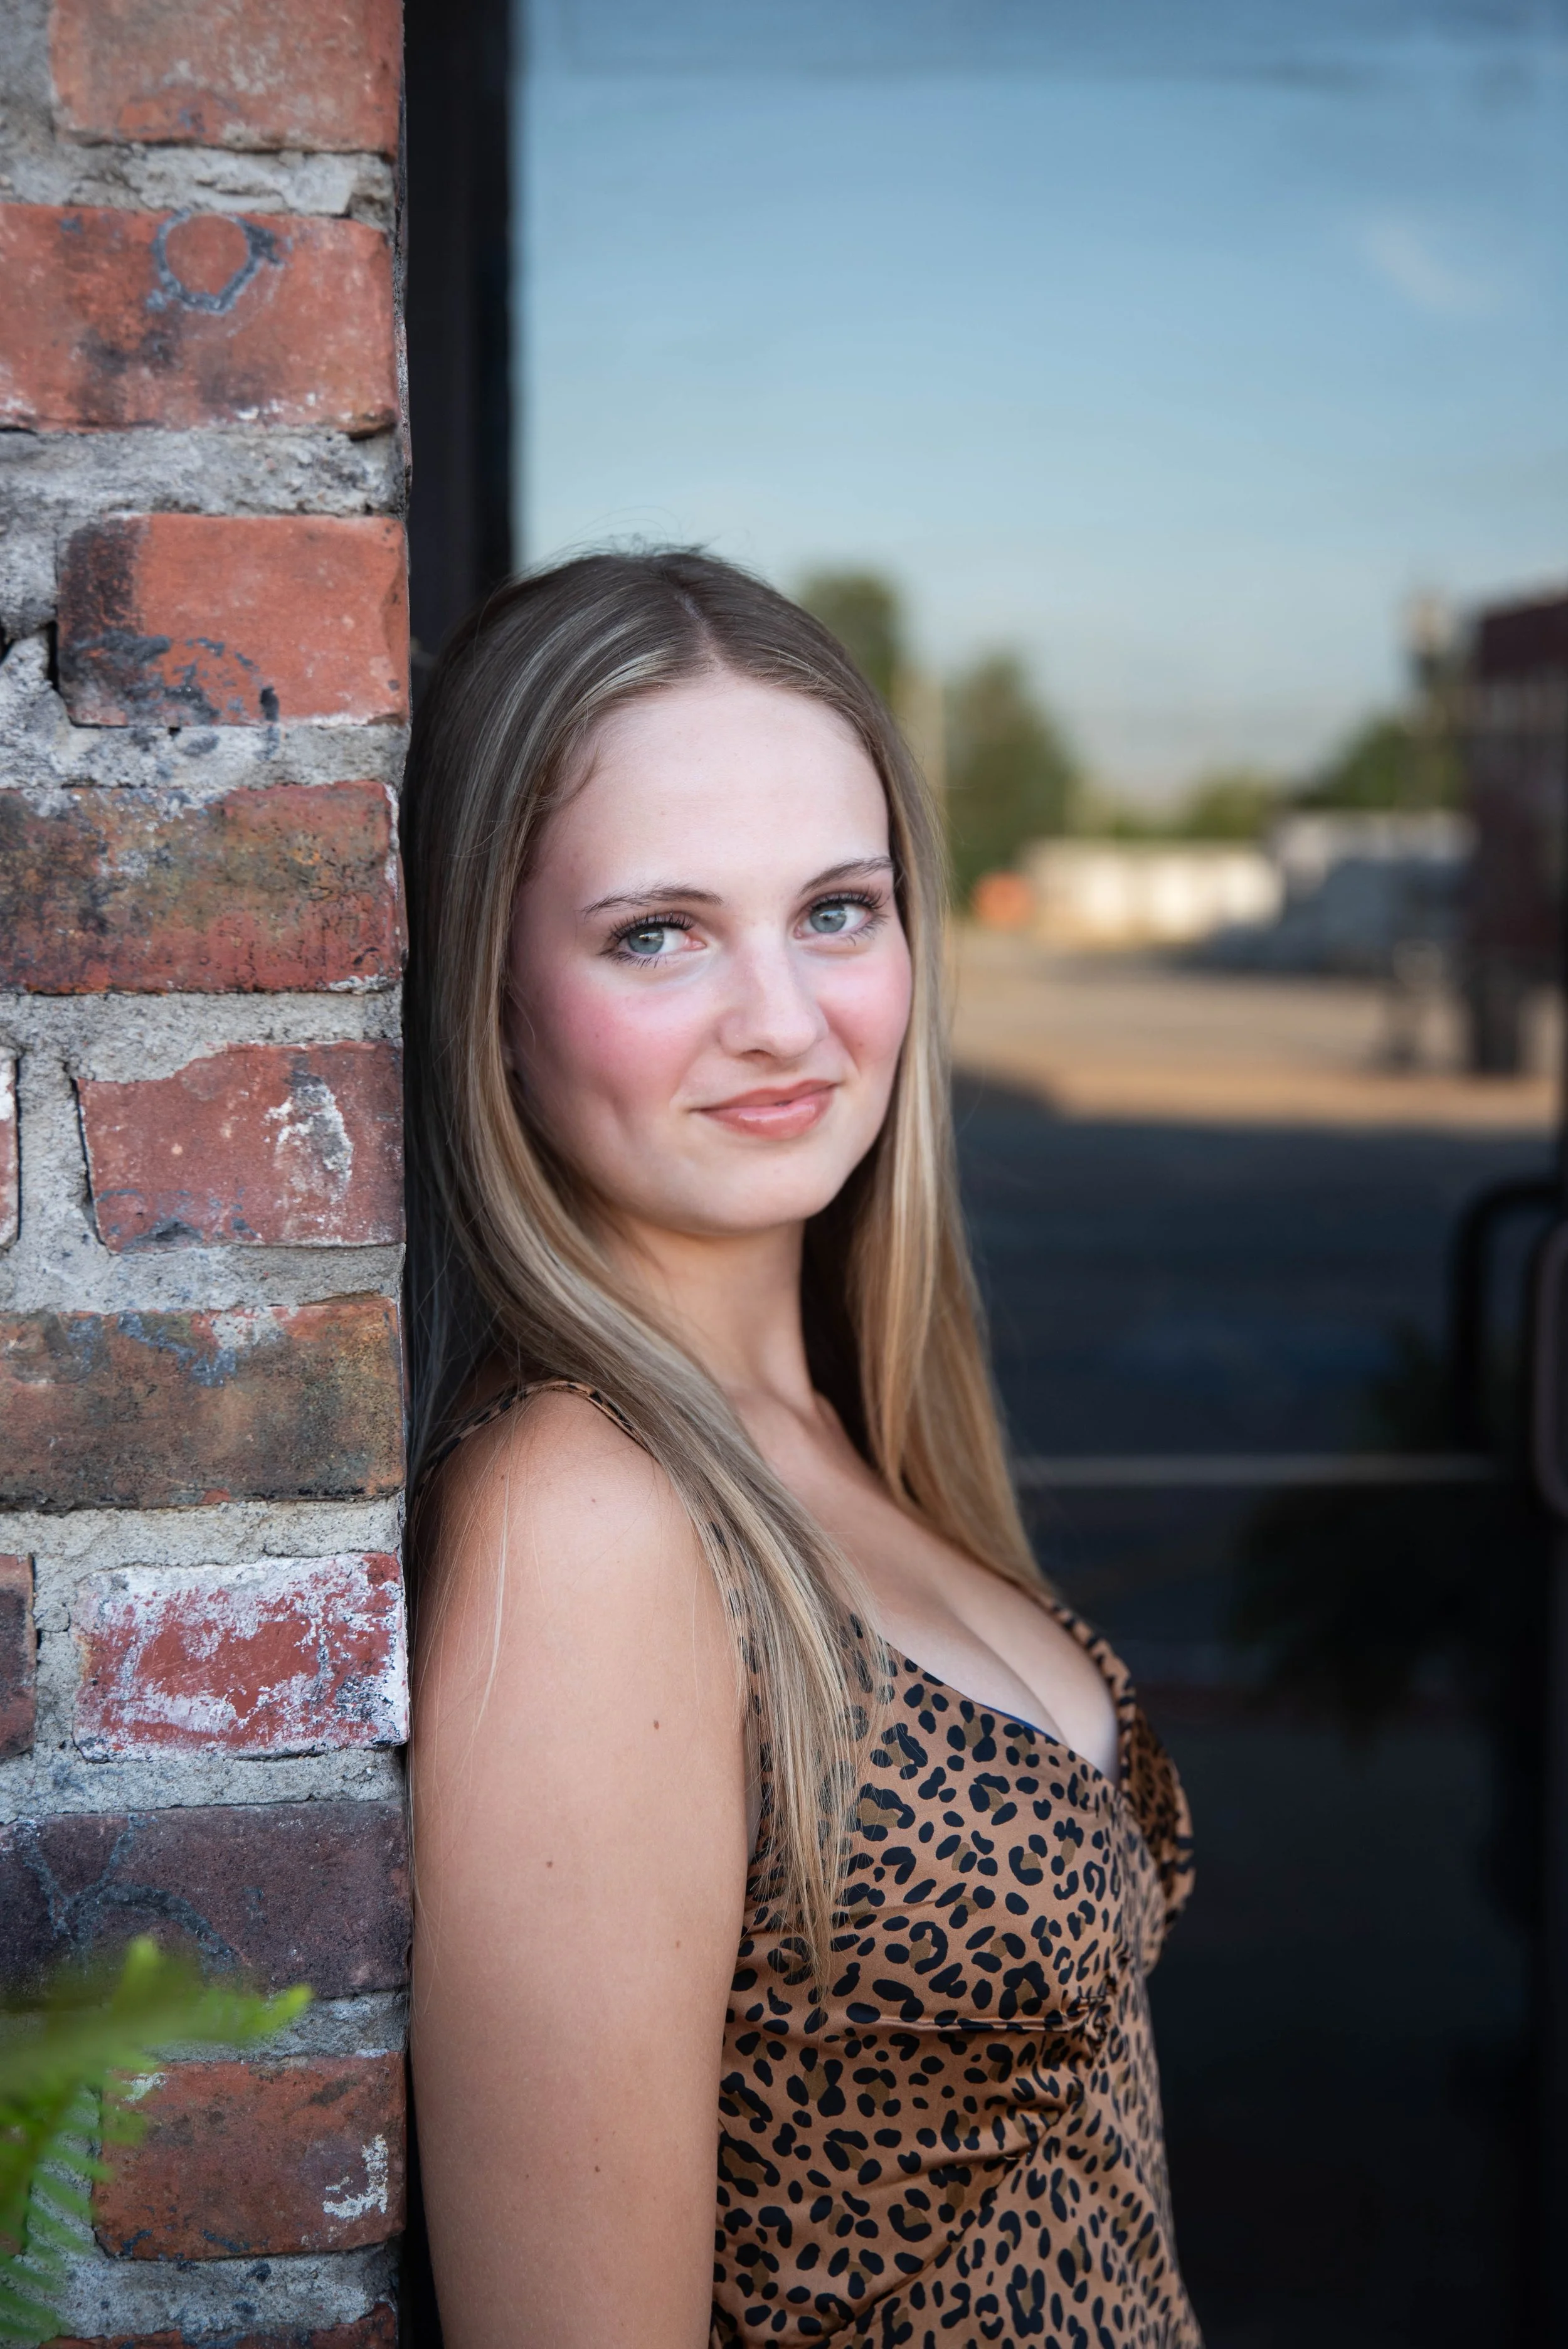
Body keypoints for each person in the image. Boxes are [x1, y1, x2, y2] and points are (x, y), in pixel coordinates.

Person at [402, 549, 1198, 2349]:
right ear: (493, 1003)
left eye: (835, 910)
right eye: (656, 934)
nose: (782, 1017)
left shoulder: (838, 1425)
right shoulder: (586, 1520)